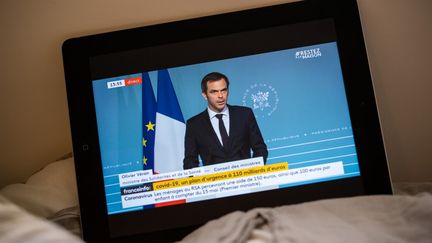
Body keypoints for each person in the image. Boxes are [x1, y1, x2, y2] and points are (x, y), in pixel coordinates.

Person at [183, 72, 268, 169]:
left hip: (247, 180)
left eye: (223, 90)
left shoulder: (244, 114)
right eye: (214, 92)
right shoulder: (194, 124)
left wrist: (254, 171)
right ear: (204, 95)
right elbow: (190, 161)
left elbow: (260, 148)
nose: (220, 96)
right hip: (214, 182)